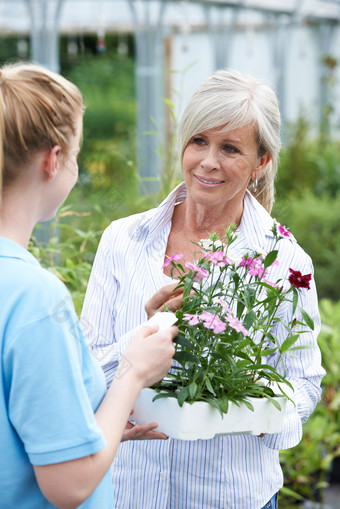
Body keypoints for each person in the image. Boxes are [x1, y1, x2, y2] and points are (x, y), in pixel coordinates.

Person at [81, 69, 325, 509]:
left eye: (230, 148)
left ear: (261, 162)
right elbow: (83, 371)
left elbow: (304, 382)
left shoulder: (284, 260)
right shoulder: (123, 240)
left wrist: (266, 409)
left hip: (228, 495)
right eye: (198, 141)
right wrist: (143, 339)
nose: (208, 161)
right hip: (126, 492)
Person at [0, 62, 177, 509]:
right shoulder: (35, 297)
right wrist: (133, 372)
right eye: (77, 154)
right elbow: (69, 486)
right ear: (52, 159)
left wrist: (100, 424)